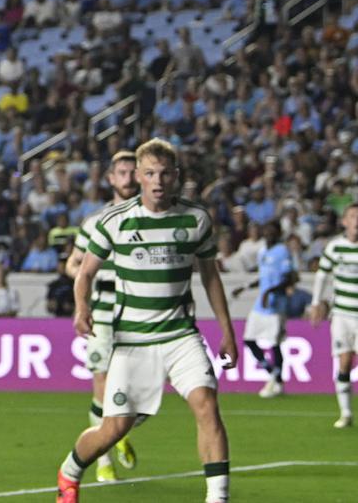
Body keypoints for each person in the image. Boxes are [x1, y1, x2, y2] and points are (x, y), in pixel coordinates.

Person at [56, 139, 237, 503]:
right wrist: (81, 308)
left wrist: (227, 332)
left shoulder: (196, 219)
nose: (158, 181)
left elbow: (211, 277)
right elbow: (84, 272)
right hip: (133, 341)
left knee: (207, 405)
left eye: (165, 173)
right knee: (113, 428)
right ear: (139, 176)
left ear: (176, 177)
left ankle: (218, 498)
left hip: (181, 335)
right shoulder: (114, 221)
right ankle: (70, 472)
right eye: (150, 173)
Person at [63, 150, 139, 482]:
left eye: (132, 172)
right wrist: (87, 277)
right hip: (102, 316)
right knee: (102, 384)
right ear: (110, 179)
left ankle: (116, 431)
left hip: (140, 314)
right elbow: (72, 262)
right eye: (121, 172)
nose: (127, 178)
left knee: (139, 390)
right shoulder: (95, 221)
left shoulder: (150, 219)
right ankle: (103, 459)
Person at [232, 221, 295, 398]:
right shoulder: (262, 251)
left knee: (275, 343)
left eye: (272, 231)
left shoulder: (282, 251)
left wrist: (270, 291)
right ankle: (273, 374)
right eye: (266, 230)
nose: (268, 233)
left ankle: (277, 382)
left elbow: (290, 278)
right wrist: (244, 286)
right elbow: (263, 277)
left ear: (278, 233)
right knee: (249, 340)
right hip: (261, 305)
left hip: (276, 305)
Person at [309, 204, 358, 428]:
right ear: (345, 221)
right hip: (342, 315)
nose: (356, 220)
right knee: (344, 361)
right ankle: (346, 412)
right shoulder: (335, 247)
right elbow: (322, 275)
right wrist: (316, 303)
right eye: (353, 216)